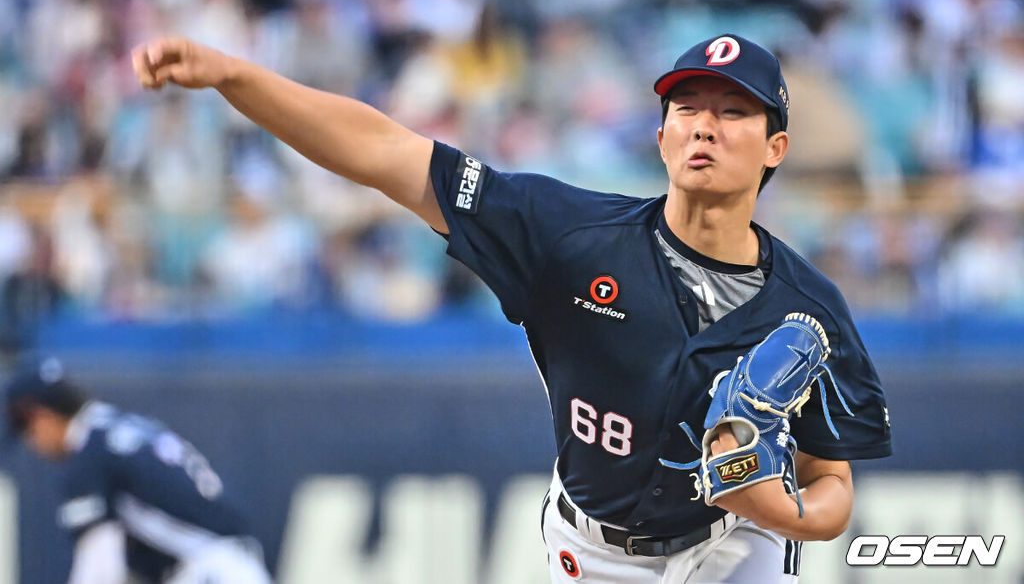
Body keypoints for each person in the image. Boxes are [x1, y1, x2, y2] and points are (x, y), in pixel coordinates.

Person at [131, 32, 892, 582]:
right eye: (687, 105)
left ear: (775, 148)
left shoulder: (809, 309)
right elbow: (385, 153)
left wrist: (784, 515)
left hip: (737, 549)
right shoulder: (566, 234)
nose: (704, 123)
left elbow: (833, 489)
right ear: (660, 135)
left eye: (734, 111)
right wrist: (235, 76)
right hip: (596, 556)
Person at [3, 359, 273, 583]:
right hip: (236, 564)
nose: (31, 443)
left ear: (38, 414)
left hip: (210, 570)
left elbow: (99, 566)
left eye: (26, 429)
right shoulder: (124, 427)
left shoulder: (88, 455)